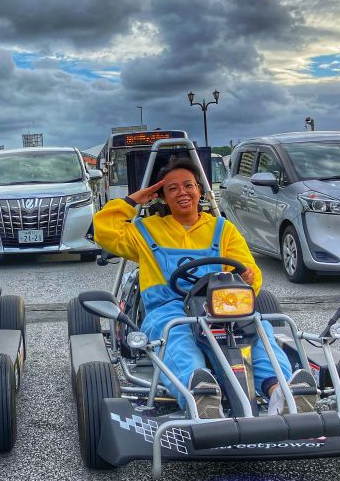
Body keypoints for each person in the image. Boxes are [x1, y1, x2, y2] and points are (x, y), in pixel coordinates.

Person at [93, 157, 317, 419]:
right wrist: (133, 201)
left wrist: (247, 277)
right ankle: (199, 394)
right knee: (176, 337)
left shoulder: (222, 229)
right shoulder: (146, 230)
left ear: (199, 190)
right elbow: (103, 230)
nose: (182, 192)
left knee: (256, 330)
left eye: (188, 185)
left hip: (220, 306)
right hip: (169, 308)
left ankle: (280, 391)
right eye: (172, 188)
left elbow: (250, 273)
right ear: (161, 197)